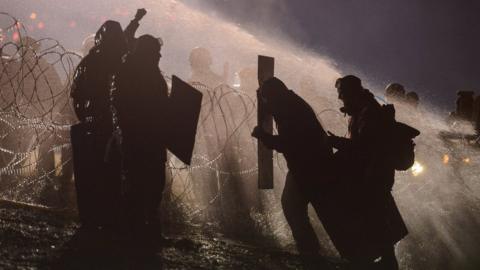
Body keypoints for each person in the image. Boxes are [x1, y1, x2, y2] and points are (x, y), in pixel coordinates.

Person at [70, 9, 146, 229]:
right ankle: (106, 216)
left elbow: (76, 94)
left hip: (99, 124)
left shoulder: (94, 60)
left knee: (97, 173)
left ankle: (95, 216)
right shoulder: (118, 61)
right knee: (108, 173)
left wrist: (85, 118)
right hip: (110, 124)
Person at [327, 75, 408, 269]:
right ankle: (383, 260)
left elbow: (364, 148)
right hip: (373, 173)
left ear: (352, 92)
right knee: (374, 216)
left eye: (342, 94)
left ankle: (387, 263)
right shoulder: (363, 109)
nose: (340, 98)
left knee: (375, 217)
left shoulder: (368, 112)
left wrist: (336, 142)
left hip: (375, 174)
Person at [251, 77, 333, 259]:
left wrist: (263, 136)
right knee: (299, 206)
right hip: (309, 165)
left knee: (293, 205)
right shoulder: (289, 103)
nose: (267, 104)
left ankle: (310, 250)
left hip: (309, 167)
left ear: (274, 96)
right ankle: (312, 249)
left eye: (267, 98)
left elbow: (287, 143)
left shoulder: (289, 109)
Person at [113, 34, 168, 240]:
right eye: (156, 51)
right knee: (138, 183)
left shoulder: (148, 71)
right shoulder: (130, 72)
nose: (159, 55)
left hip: (152, 138)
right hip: (139, 137)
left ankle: (146, 226)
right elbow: (123, 105)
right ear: (147, 52)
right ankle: (133, 227)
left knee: (154, 184)